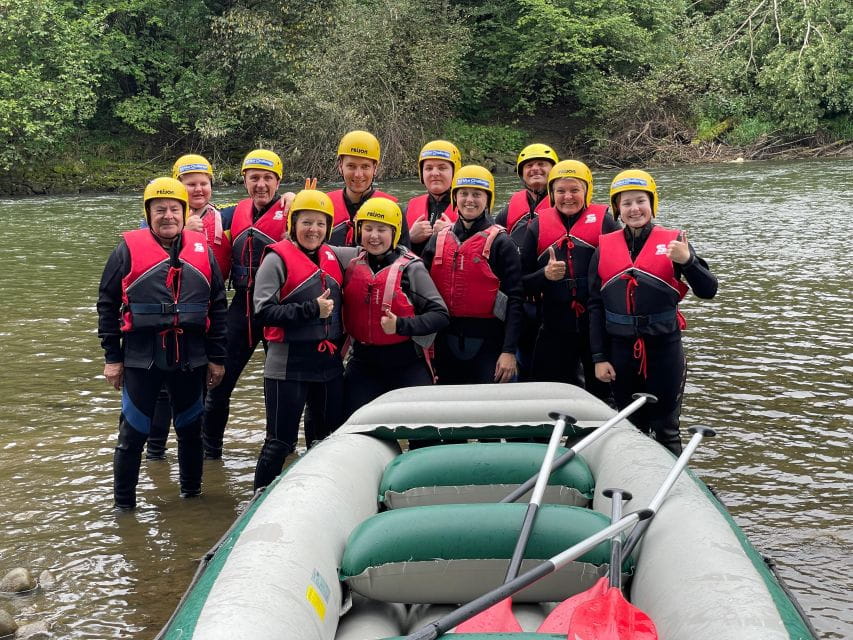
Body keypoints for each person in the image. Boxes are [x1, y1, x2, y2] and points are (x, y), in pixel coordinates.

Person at [97, 177, 227, 509]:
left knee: (190, 430)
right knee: (133, 435)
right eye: (159, 210)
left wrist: (216, 357)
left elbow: (218, 305)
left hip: (191, 357)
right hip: (142, 357)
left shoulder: (202, 252)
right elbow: (108, 304)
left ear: (184, 213)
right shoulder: (126, 249)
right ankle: (124, 509)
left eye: (173, 209)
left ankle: (192, 499)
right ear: (148, 213)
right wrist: (113, 358)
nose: (167, 216)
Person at [587, 170, 718, 454]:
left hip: (664, 349)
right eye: (626, 203)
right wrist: (599, 357)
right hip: (620, 351)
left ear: (652, 204)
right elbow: (595, 306)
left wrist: (689, 261)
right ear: (617, 210)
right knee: (629, 426)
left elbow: (709, 290)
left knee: (666, 427)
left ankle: (675, 489)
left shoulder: (675, 243)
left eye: (640, 201)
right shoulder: (603, 248)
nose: (634, 209)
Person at [252, 189, 348, 490]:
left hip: (328, 364)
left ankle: (318, 493)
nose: (313, 230)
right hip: (288, 365)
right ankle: (257, 500)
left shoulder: (335, 255)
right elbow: (262, 311)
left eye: (320, 224)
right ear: (293, 225)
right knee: (279, 442)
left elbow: (375, 247)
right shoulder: (275, 259)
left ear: (328, 228)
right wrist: (311, 310)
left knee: (326, 439)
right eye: (306, 222)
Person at [202, 149, 292, 459]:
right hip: (243, 305)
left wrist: (296, 197)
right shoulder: (232, 212)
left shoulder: (289, 208)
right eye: (254, 178)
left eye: (268, 178)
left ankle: (280, 448)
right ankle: (209, 453)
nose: (261, 184)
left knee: (280, 385)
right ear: (244, 180)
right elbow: (203, 214)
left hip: (278, 307)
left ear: (278, 181)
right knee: (218, 381)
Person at [146, 154, 232, 460]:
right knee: (162, 392)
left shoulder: (226, 218)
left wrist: (290, 197)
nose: (198, 189)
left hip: (204, 317)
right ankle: (155, 453)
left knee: (204, 387)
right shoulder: (159, 220)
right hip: (165, 317)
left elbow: (262, 211)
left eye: (203, 183)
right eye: (190, 184)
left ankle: (206, 455)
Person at [520, 160, 620, 400]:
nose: (568, 197)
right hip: (554, 324)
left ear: (586, 191)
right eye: (561, 191)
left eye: (575, 190)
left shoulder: (605, 222)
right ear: (552, 194)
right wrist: (544, 275)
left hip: (596, 326)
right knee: (546, 393)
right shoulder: (536, 227)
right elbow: (521, 283)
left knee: (602, 394)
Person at [342, 198, 449, 418]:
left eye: (382, 230)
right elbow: (313, 246)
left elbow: (441, 315)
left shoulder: (412, 268)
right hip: (363, 363)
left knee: (423, 433)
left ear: (395, 232)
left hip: (406, 362)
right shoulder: (351, 260)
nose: (374, 236)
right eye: (368, 229)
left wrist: (400, 325)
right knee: (347, 424)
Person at [422, 165, 523, 385]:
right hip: (444, 341)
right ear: (455, 198)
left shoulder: (502, 243)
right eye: (463, 194)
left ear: (488, 200)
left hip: (488, 343)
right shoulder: (437, 240)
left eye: (477, 194)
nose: (470, 200)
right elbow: (420, 293)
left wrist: (509, 351)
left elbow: (515, 300)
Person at [494, 143, 559, 380]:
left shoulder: (565, 204)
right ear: (521, 173)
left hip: (552, 303)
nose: (535, 169)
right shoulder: (508, 211)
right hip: (520, 303)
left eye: (542, 164)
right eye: (529, 166)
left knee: (552, 369)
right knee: (522, 367)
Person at [327, 130, 410, 248]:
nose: (358, 174)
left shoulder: (393, 209)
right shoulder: (323, 207)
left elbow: (403, 256)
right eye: (351, 166)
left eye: (365, 167)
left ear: (375, 168)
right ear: (340, 166)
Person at [404, 140, 461, 255]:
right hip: (415, 272)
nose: (434, 173)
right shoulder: (407, 209)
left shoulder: (470, 208)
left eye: (442, 168)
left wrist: (453, 235)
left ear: (455, 172)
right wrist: (409, 238)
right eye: (429, 168)